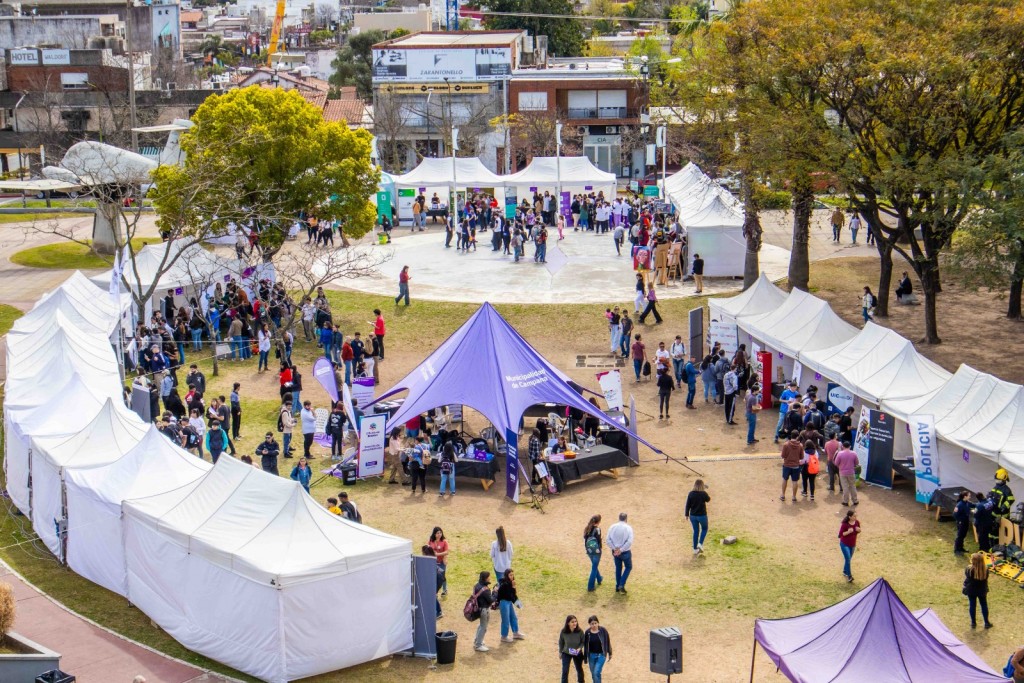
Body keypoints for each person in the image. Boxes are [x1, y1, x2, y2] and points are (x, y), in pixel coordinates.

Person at [606, 513, 633, 594]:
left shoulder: (612, 527)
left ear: (619, 518)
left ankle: (617, 586)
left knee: (618, 568)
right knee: (628, 567)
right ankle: (621, 584)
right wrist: (621, 550)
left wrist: (615, 549)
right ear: (626, 519)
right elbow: (629, 541)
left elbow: (608, 540)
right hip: (625, 552)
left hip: (615, 552)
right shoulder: (628, 528)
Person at [964, 552, 992, 629]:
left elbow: (967, 578)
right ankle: (986, 622)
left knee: (972, 605)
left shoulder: (969, 569)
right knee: (984, 605)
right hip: (982, 590)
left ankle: (973, 623)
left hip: (971, 590)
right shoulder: (985, 570)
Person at [685, 479, 711, 556]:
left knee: (696, 531)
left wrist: (686, 514)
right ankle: (700, 543)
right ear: (702, 486)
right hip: (702, 516)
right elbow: (708, 499)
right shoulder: (703, 493)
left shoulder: (691, 494)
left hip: (693, 516)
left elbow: (687, 505)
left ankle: (695, 549)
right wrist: (704, 490)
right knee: (704, 529)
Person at [584, 615, 612, 683]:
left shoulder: (603, 630)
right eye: (592, 624)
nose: (594, 625)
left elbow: (607, 641)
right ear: (589, 624)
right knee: (594, 674)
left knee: (596, 672)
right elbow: (585, 646)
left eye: (595, 623)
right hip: (591, 656)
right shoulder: (587, 633)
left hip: (601, 655)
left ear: (598, 623)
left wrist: (610, 652)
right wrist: (585, 658)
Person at [472, 571, 495, 652]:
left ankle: (477, 640)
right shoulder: (485, 589)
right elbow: (491, 600)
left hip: (478, 609)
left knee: (481, 625)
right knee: (483, 627)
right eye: (489, 577)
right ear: (486, 578)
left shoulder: (476, 585)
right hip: (484, 610)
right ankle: (478, 645)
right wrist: (495, 592)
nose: (490, 578)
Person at [559, 615, 586, 683]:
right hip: (566, 653)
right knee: (565, 671)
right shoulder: (563, 631)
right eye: (572, 622)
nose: (574, 623)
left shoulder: (580, 631)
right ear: (568, 623)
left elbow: (583, 641)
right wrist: (560, 652)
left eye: (575, 621)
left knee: (579, 669)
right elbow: (561, 642)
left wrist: (579, 648)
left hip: (577, 653)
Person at [779, 431, 803, 502]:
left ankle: (783, 495)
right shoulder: (800, 445)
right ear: (797, 436)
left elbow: (783, 455)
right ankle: (794, 497)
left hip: (787, 465)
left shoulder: (786, 445)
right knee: (795, 481)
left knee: (785, 479)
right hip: (796, 466)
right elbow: (801, 457)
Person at [834, 441, 860, 506]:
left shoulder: (840, 454)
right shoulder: (853, 453)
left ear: (842, 446)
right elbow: (857, 463)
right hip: (851, 472)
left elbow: (836, 463)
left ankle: (846, 501)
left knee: (845, 487)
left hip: (842, 472)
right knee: (852, 486)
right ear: (850, 446)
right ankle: (855, 500)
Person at [839, 509, 860, 582]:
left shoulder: (857, 522)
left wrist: (859, 530)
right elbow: (841, 534)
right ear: (850, 517)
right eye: (854, 516)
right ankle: (849, 576)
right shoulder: (845, 524)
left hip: (853, 544)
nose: (855, 517)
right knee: (848, 559)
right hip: (844, 544)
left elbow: (858, 531)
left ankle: (845, 571)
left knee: (848, 559)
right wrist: (848, 532)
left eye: (856, 516)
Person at [583, 515, 603, 592]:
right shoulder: (598, 529)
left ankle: (599, 579)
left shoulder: (587, 528)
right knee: (594, 568)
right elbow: (598, 541)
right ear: (598, 522)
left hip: (589, 550)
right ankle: (590, 586)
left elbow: (585, 539)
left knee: (595, 566)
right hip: (596, 551)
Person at [429, 527, 449, 596]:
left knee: (442, 576)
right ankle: (435, 591)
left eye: (440, 532)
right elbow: (428, 549)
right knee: (434, 576)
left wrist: (438, 554)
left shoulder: (444, 541)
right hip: (433, 562)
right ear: (434, 534)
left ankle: (444, 590)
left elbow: (447, 552)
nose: (439, 534)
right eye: (437, 533)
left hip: (441, 562)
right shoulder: (431, 540)